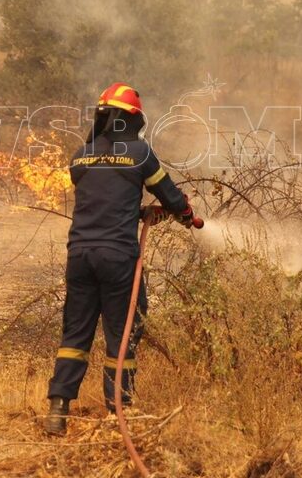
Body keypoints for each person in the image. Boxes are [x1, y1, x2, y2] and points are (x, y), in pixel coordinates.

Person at [44, 82, 194, 436]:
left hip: (80, 255)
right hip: (118, 258)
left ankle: (58, 409)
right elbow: (171, 196)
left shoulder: (81, 156)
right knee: (122, 334)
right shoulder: (139, 153)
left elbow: (104, 197)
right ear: (132, 119)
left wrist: (137, 211)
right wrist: (185, 214)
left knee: (75, 334)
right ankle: (118, 409)